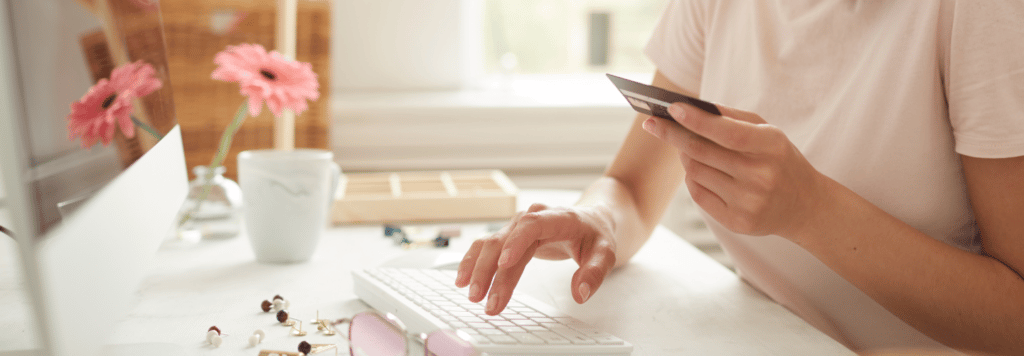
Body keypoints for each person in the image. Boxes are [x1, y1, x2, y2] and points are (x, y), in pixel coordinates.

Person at [455, 0, 1024, 354]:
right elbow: (632, 186)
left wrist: (813, 211)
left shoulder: (983, 12)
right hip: (767, 337)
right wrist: (597, 219)